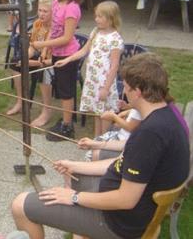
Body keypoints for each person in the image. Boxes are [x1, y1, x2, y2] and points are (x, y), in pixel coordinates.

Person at [11, 53, 190, 239]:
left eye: (126, 88)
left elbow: (126, 199)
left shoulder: (149, 134)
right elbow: (126, 161)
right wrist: (76, 165)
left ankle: (81, 222)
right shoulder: (166, 114)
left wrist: (73, 197)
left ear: (138, 92)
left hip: (117, 223)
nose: (124, 92)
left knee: (20, 205)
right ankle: (80, 228)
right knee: (75, 173)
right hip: (128, 209)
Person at [55, 1, 124, 136]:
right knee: (97, 114)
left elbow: (115, 65)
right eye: (96, 16)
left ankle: (103, 142)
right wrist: (66, 60)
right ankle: (96, 139)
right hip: (93, 81)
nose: (96, 19)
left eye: (100, 16)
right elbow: (83, 51)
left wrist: (105, 88)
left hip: (105, 83)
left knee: (104, 114)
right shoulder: (95, 32)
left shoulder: (115, 39)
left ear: (110, 19)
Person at [31, 0, 82, 141]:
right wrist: (46, 51)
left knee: (66, 92)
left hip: (68, 55)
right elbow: (53, 30)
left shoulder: (72, 8)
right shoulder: (55, 4)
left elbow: (67, 38)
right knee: (60, 89)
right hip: (57, 53)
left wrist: (42, 45)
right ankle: (65, 121)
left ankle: (68, 127)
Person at [6, 0, 53, 129]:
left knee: (43, 73)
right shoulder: (38, 23)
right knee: (15, 63)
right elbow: (32, 46)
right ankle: (20, 101)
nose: (41, 14)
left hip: (51, 62)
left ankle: (46, 110)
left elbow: (51, 60)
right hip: (39, 57)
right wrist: (25, 59)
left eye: (45, 11)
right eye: (40, 10)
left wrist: (34, 64)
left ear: (53, 12)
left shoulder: (55, 29)